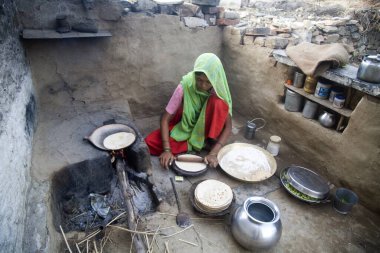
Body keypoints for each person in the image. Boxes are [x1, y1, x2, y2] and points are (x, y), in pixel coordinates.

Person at [145, 53, 232, 169]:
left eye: (208, 82)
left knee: (218, 103)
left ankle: (208, 141)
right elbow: (165, 119)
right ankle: (199, 144)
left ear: (215, 79)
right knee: (149, 142)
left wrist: (213, 153)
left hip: (208, 130)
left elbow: (228, 127)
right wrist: (167, 149)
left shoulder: (218, 90)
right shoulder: (185, 85)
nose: (203, 86)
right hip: (187, 127)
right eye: (199, 80)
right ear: (194, 75)